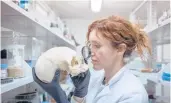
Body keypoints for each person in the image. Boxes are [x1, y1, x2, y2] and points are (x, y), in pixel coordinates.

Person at [32, 15, 151, 103]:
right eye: (90, 45)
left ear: (120, 49)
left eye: (97, 46)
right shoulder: (96, 78)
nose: (90, 52)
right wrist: (79, 95)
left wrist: (59, 95)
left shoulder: (133, 95)